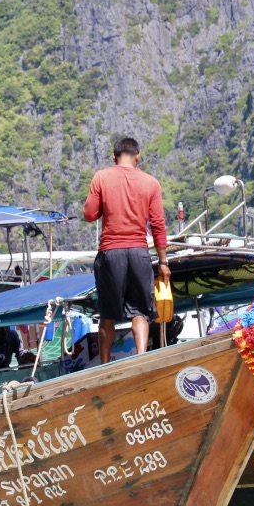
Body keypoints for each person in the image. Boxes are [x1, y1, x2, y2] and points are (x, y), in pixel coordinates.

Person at [83, 137, 170, 364]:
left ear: (114, 157)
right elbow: (158, 224)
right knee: (140, 311)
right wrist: (163, 261)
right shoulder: (151, 183)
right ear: (137, 157)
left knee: (108, 314)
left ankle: (104, 364)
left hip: (111, 253)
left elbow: (89, 215)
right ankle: (140, 360)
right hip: (140, 253)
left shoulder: (101, 177)